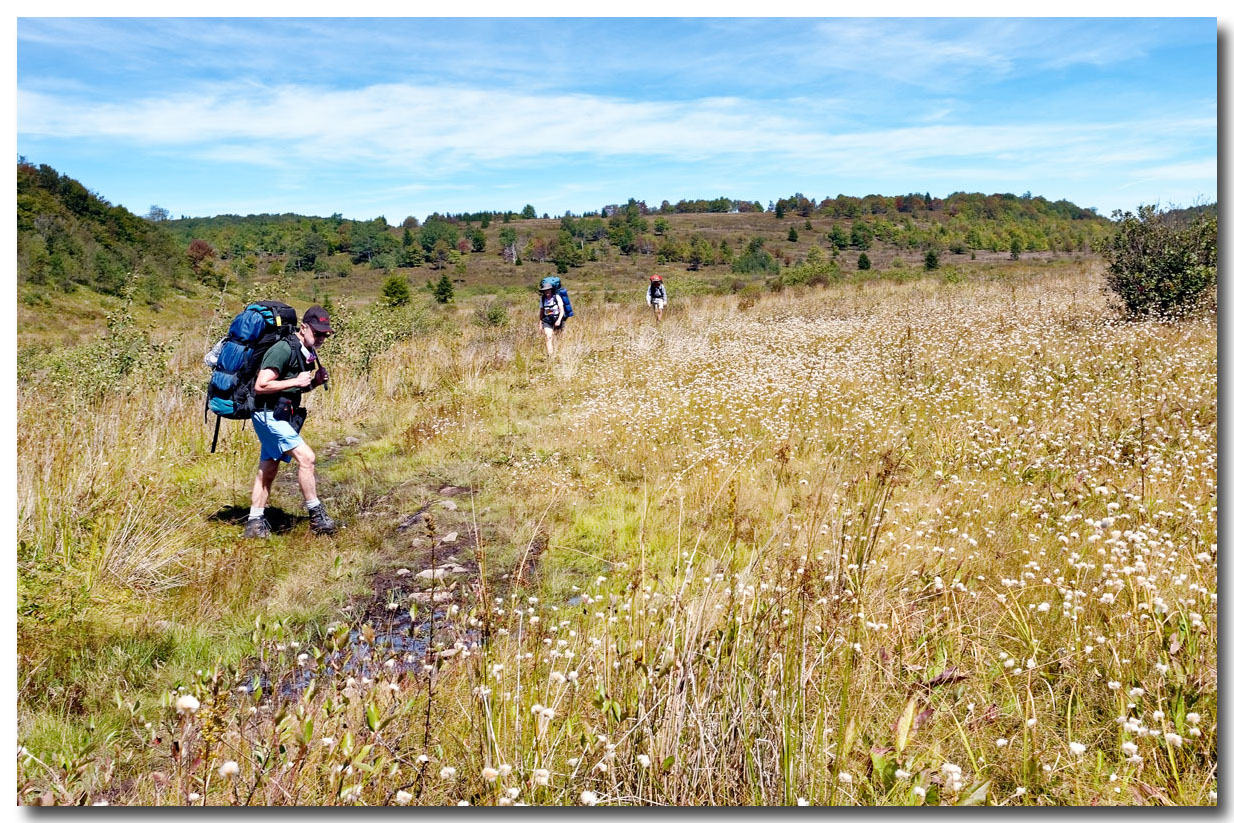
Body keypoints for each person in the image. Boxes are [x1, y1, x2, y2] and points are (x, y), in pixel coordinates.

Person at [244, 305, 337, 538]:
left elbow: (294, 387)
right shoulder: (283, 349)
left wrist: (312, 382)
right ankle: (317, 517)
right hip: (267, 414)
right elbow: (261, 385)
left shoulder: (305, 350)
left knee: (269, 468)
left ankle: (255, 523)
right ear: (304, 327)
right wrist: (296, 379)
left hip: (278, 414)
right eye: (317, 333)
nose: (321, 338)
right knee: (307, 458)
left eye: (325, 334)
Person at [538, 278, 566, 356]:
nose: (546, 292)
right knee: (548, 337)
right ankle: (551, 355)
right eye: (545, 290)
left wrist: (559, 320)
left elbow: (562, 310)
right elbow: (542, 311)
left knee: (559, 337)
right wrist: (540, 324)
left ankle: (560, 353)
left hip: (557, 319)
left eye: (548, 290)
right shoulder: (542, 299)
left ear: (551, 290)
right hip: (547, 320)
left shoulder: (557, 297)